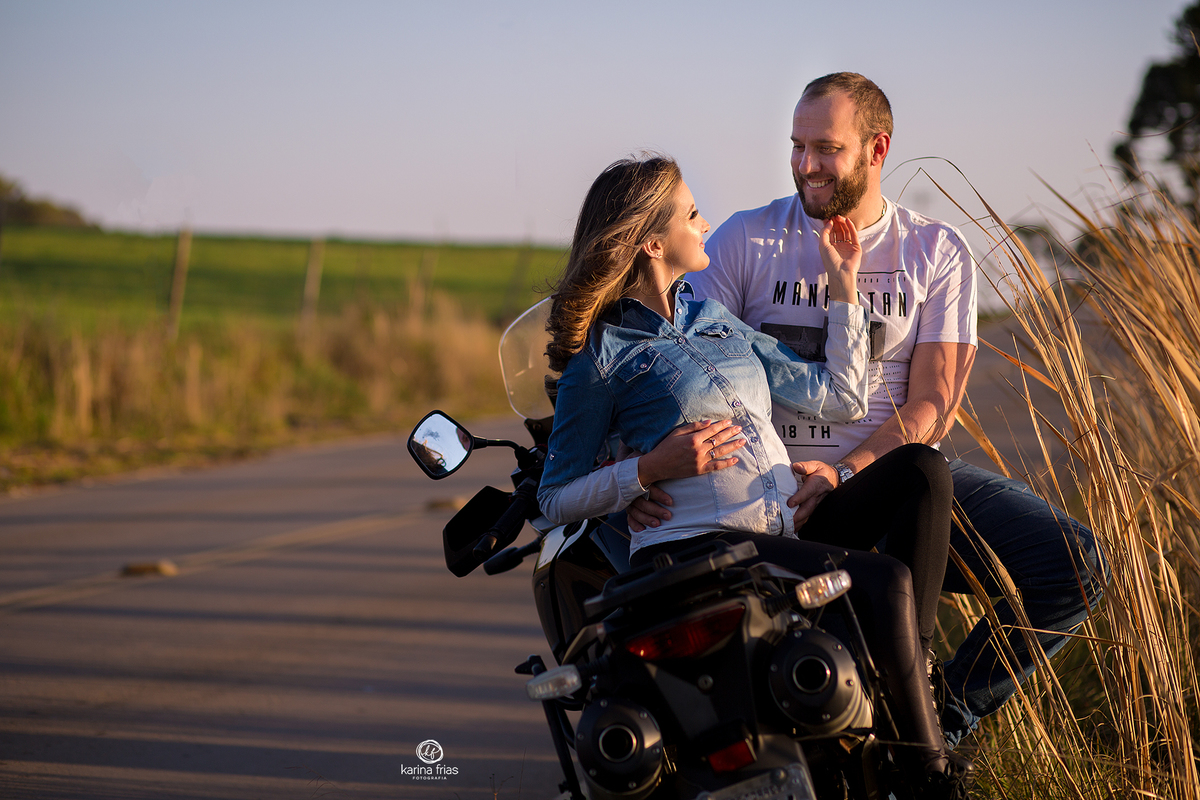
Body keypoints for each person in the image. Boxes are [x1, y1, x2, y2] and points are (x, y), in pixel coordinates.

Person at [629, 72, 1108, 748]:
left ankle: (938, 716)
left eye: (826, 148)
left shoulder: (934, 251)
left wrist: (845, 471)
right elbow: (669, 361)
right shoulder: (745, 241)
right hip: (771, 495)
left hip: (897, 485)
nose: (806, 165)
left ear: (877, 149)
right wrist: (634, 465)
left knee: (1075, 563)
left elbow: (932, 406)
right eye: (797, 146)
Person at [537, 154, 970, 796]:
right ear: (653, 242)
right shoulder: (602, 356)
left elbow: (841, 397)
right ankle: (927, 769)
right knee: (887, 580)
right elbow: (553, 498)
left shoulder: (717, 322)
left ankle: (909, 677)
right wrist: (643, 470)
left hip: (781, 530)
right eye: (690, 213)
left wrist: (843, 285)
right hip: (698, 551)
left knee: (922, 471)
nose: (704, 221)